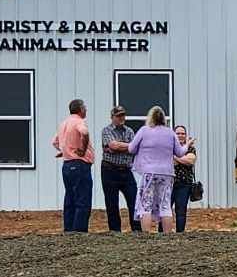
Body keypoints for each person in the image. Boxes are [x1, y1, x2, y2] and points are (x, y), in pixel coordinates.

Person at [128, 105, 180, 234]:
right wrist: (188, 144)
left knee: (146, 204)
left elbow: (131, 149)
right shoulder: (170, 133)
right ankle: (167, 235)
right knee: (165, 204)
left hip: (149, 173)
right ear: (163, 118)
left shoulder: (144, 130)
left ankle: (146, 235)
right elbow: (179, 152)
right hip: (167, 173)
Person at [51, 98, 94, 232]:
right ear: (80, 109)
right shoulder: (79, 122)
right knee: (82, 199)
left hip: (67, 165)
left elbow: (55, 142)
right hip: (79, 165)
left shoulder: (64, 123)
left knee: (70, 198)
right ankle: (79, 232)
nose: (86, 109)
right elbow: (84, 133)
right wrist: (83, 147)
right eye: (84, 107)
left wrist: (65, 151)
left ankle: (68, 229)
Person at [99, 104, 141, 234]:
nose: (121, 118)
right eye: (118, 116)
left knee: (134, 200)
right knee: (112, 203)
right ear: (112, 117)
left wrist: (119, 147)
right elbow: (113, 145)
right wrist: (127, 147)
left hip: (126, 171)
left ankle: (137, 229)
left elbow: (133, 149)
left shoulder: (129, 131)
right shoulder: (106, 130)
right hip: (109, 170)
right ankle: (115, 231)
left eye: (123, 115)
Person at [171, 124, 199, 232]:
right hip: (169, 183)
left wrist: (174, 157)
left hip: (184, 184)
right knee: (165, 210)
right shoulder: (169, 147)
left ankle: (180, 233)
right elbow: (172, 162)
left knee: (181, 210)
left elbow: (190, 161)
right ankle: (163, 233)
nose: (180, 135)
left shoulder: (191, 148)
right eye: (178, 133)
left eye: (183, 133)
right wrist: (183, 158)